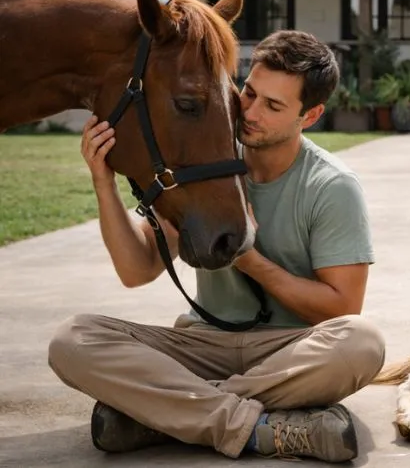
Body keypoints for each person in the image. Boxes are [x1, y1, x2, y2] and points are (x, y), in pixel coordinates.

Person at [48, 30, 385, 463]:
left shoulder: (332, 186)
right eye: (248, 92)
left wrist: (248, 260)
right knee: (72, 340)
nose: (250, 112)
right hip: (201, 346)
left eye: (273, 105)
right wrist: (103, 183)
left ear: (311, 115)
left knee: (363, 342)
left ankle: (165, 416)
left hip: (289, 351)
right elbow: (137, 270)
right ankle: (258, 429)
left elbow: (341, 308)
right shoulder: (205, 160)